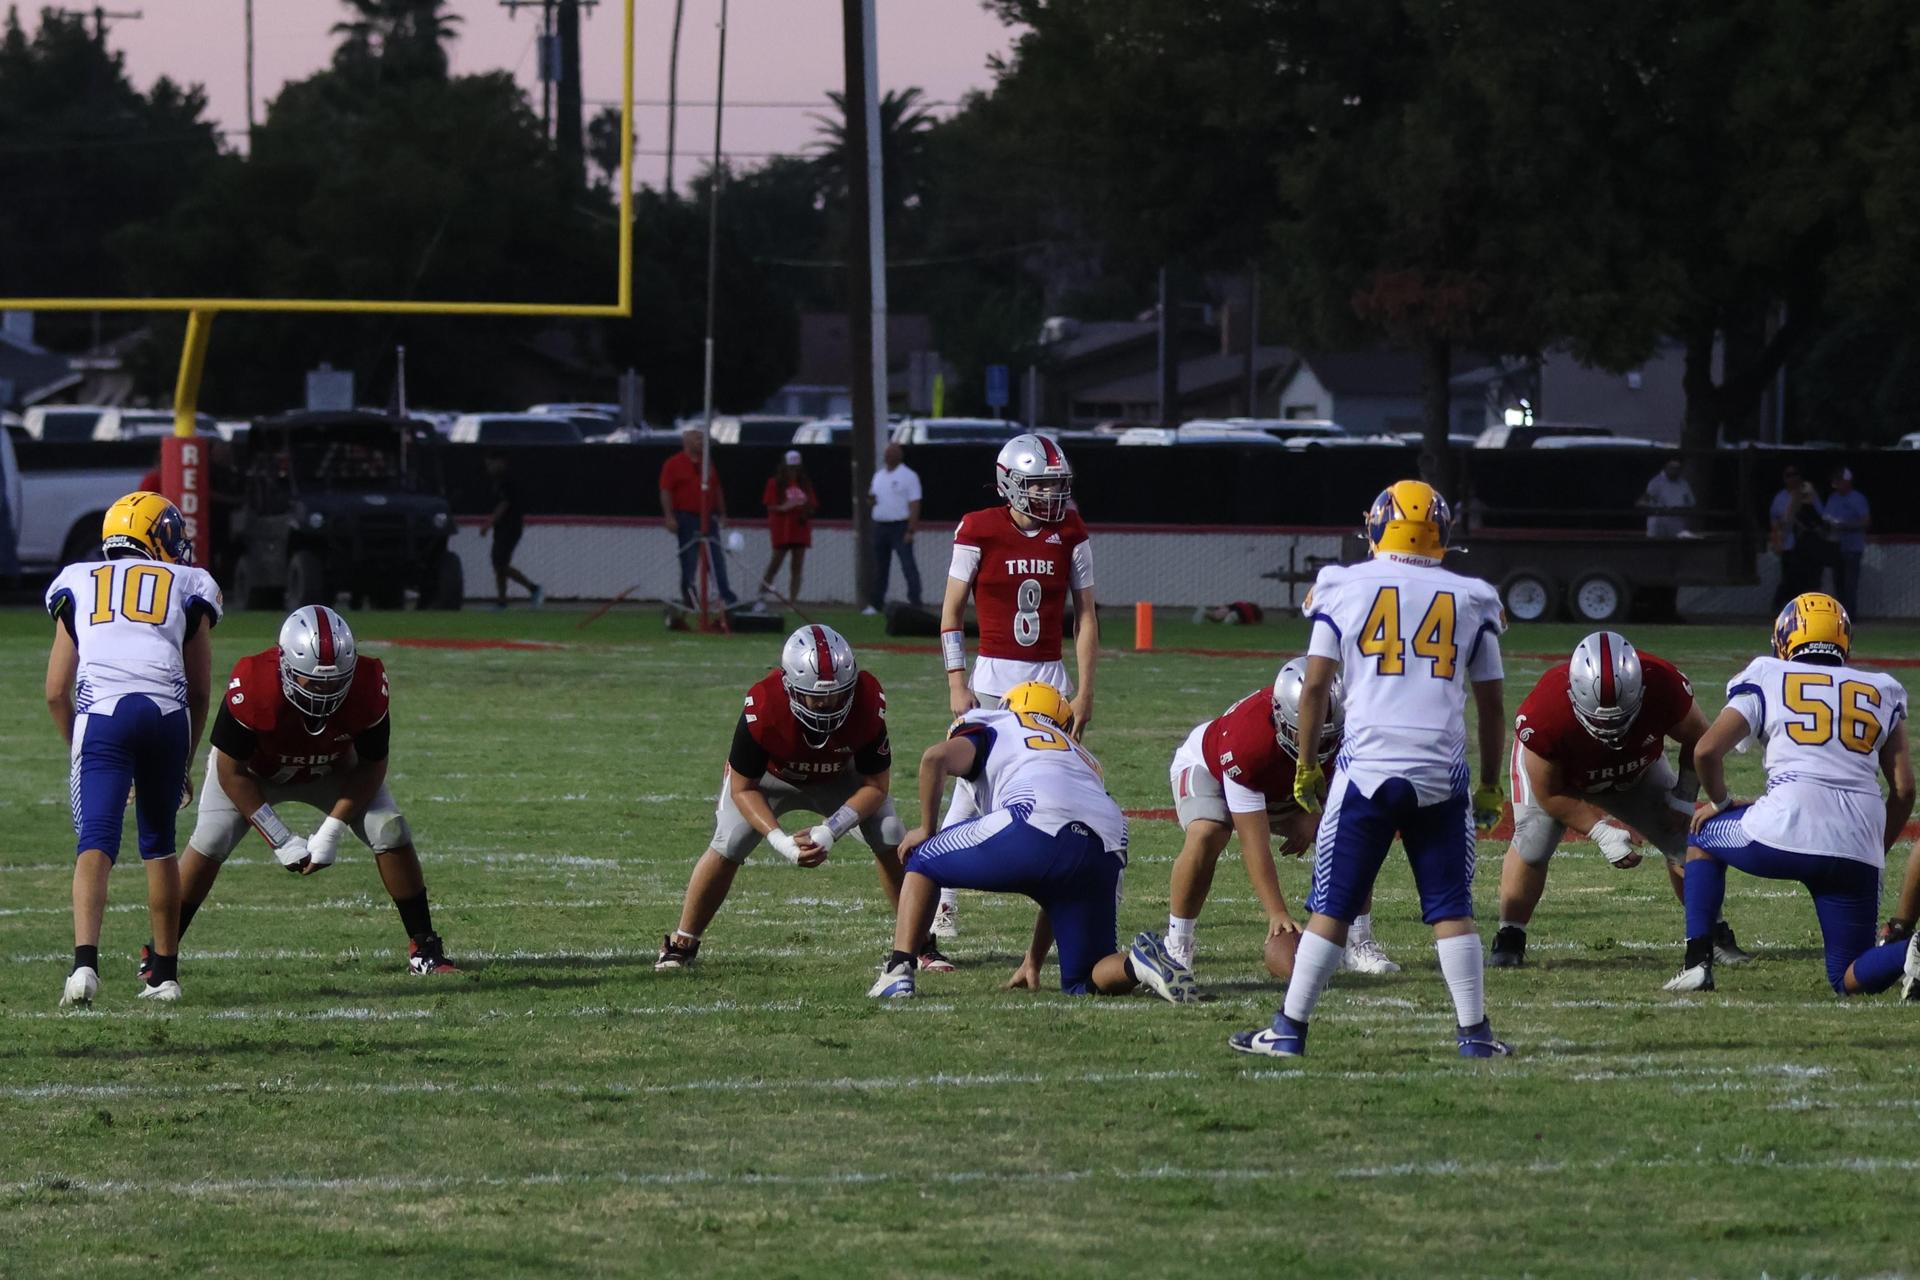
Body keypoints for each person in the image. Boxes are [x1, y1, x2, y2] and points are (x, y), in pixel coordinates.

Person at [1230, 480, 1512, 1059]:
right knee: (1451, 907)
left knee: (1332, 905)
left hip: (1366, 771)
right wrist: (1488, 781)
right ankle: (1475, 1036)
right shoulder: (1472, 597)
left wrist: (1307, 764)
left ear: (1378, 526)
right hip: (1440, 770)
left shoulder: (1344, 586)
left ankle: (1289, 1029)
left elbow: (1313, 687)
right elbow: (1490, 704)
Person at [157, 605, 456, 976]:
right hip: (253, 772)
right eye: (314, 682)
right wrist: (280, 838)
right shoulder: (253, 682)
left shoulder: (367, 683)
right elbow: (230, 771)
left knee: (389, 827)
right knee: (211, 838)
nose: (325, 693)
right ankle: (159, 951)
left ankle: (424, 949)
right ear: (283, 666)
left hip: (331, 768)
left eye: (336, 682)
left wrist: (332, 829)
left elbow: (373, 764)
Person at [868, 681, 1195, 1003]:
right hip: (1104, 845)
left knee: (922, 857)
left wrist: (926, 827)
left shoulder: (992, 723)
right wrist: (1033, 960)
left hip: (1035, 821)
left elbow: (934, 758)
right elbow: (1056, 885)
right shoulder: (1084, 757)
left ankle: (898, 971)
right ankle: (1137, 964)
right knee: (1083, 978)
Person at [1668, 592, 1920, 998]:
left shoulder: (1768, 673)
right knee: (1848, 977)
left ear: (1784, 638)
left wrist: (1720, 804)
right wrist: (1874, 848)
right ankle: (1912, 950)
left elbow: (1705, 751)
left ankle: (1698, 962)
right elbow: (1905, 790)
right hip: (1857, 843)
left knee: (1700, 836)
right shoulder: (1883, 688)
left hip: (1785, 827)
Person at [657, 625, 939, 969]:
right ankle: (683, 943)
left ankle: (920, 943)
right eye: (817, 696)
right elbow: (742, 788)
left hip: (839, 776)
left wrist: (831, 829)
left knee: (891, 832)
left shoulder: (867, 702)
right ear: (788, 685)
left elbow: (876, 786)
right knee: (729, 840)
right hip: (772, 779)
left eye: (837, 695)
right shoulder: (763, 705)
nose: (828, 704)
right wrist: (781, 842)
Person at [45, 491, 221, 1006]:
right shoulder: (189, 583)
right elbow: (200, 689)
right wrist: (184, 760)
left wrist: (80, 745)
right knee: (159, 843)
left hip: (103, 714)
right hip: (166, 712)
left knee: (95, 841)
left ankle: (84, 968)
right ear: (150, 535)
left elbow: (57, 689)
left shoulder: (78, 579)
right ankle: (164, 974)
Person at [1489, 631, 1752, 969]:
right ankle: (1510, 935)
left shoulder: (1663, 684)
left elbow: (1700, 741)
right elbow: (1550, 793)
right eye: (1600, 720)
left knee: (1682, 840)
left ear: (1640, 690)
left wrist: (1685, 798)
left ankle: (1711, 933)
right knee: (1534, 841)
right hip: (1565, 777)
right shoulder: (1545, 713)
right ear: (1574, 696)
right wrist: (1600, 831)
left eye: (1619, 718)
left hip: (1637, 768)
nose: (1610, 729)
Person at [933, 433, 1098, 941]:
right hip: (992, 679)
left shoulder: (1070, 528)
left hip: (1049, 679)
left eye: (1055, 485)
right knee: (969, 790)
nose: (1051, 496)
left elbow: (1086, 615)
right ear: (1010, 484)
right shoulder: (978, 527)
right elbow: (951, 613)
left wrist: (1086, 690)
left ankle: (1068, 895)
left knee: (1059, 786)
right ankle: (941, 896)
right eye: (1039, 485)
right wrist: (957, 682)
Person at [1163, 660, 1399, 976]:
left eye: (1327, 735)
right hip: (1210, 770)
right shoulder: (1249, 741)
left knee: (1353, 833)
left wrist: (1314, 815)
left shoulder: (1353, 728)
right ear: (1280, 718)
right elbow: (1253, 842)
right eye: (1307, 732)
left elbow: (1349, 792)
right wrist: (1277, 912)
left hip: (1286, 783)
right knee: (1209, 831)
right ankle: (1178, 944)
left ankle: (1358, 941)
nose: (1318, 744)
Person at [659, 428, 736, 610]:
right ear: (686, 442)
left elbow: (716, 489)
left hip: (708, 518)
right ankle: (690, 596)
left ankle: (726, 596)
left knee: (715, 559)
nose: (701, 441)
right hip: (686, 517)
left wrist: (723, 513)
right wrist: (669, 516)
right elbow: (666, 491)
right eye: (697, 438)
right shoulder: (673, 464)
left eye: (702, 438)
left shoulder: (707, 463)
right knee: (689, 560)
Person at [479, 453, 544, 610]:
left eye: (491, 463)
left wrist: (488, 523)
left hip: (511, 528)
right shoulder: (497, 481)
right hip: (502, 528)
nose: (488, 467)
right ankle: (502, 601)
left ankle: (534, 588)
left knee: (501, 564)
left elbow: (504, 505)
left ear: (501, 462)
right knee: (498, 564)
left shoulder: (507, 481)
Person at [866, 442, 922, 616]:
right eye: (887, 453)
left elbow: (914, 503)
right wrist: (871, 501)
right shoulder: (879, 476)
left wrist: (911, 529)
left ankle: (915, 602)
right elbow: (872, 497)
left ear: (899, 456)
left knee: (907, 565)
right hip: (881, 526)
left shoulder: (909, 476)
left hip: (900, 526)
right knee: (880, 567)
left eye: (892, 453)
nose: (888, 456)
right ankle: (876, 604)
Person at [759, 450, 816, 605]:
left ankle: (793, 601)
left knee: (797, 566)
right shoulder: (774, 483)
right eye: (790, 468)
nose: (793, 472)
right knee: (775, 563)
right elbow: (770, 506)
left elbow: (812, 504)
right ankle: (761, 596)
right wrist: (783, 507)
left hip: (800, 529)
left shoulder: (805, 484)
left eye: (796, 468)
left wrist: (806, 511)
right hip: (782, 529)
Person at [1769, 464, 1829, 608]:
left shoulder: (1808, 494)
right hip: (1788, 545)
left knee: (1808, 580)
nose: (1792, 478)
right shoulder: (1780, 498)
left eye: (1795, 474)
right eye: (1788, 475)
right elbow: (1776, 522)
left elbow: (1822, 516)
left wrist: (1809, 497)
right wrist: (1777, 540)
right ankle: (1783, 609)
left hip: (1807, 545)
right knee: (1789, 579)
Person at [1823, 466, 1870, 615]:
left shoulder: (1858, 498)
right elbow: (1826, 517)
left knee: (1850, 584)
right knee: (1838, 583)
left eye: (1840, 480)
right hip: (1836, 546)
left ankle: (1850, 616)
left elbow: (1866, 522)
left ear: (1848, 481)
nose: (1837, 484)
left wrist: (1846, 525)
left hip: (1853, 548)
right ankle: (1840, 616)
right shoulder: (1833, 498)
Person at [1637, 456, 1695, 538]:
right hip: (1658, 522)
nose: (1674, 470)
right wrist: (1659, 509)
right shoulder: (1655, 482)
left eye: (1677, 468)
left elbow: (1691, 503)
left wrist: (1680, 509)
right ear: (1666, 467)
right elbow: (1642, 502)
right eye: (1672, 467)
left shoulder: (1684, 484)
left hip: (1677, 522)